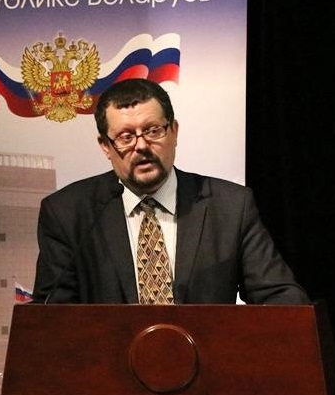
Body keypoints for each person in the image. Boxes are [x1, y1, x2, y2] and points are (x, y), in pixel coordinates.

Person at [31, 78, 309, 305]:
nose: (141, 146)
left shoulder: (231, 207)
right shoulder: (68, 213)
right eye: (126, 137)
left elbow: (282, 297)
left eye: (153, 131)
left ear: (174, 131)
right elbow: (51, 316)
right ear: (105, 146)